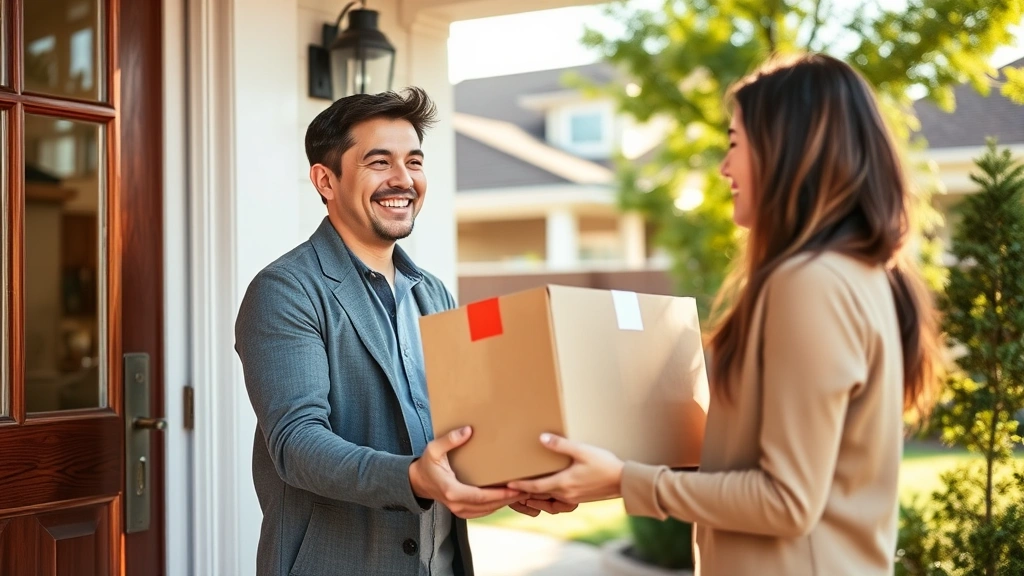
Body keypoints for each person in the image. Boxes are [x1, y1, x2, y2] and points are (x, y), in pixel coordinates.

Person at [509, 53, 941, 576]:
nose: (724, 167)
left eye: (735, 143)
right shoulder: (858, 275)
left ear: (789, 149)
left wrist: (625, 479)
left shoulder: (810, 284)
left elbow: (786, 501)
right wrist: (610, 473)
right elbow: (768, 470)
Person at [235, 88, 544, 576]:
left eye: (414, 162)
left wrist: (512, 476)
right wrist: (414, 478)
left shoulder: (434, 294)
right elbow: (297, 444)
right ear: (326, 180)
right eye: (379, 162)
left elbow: (459, 428)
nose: (403, 179)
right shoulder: (286, 290)